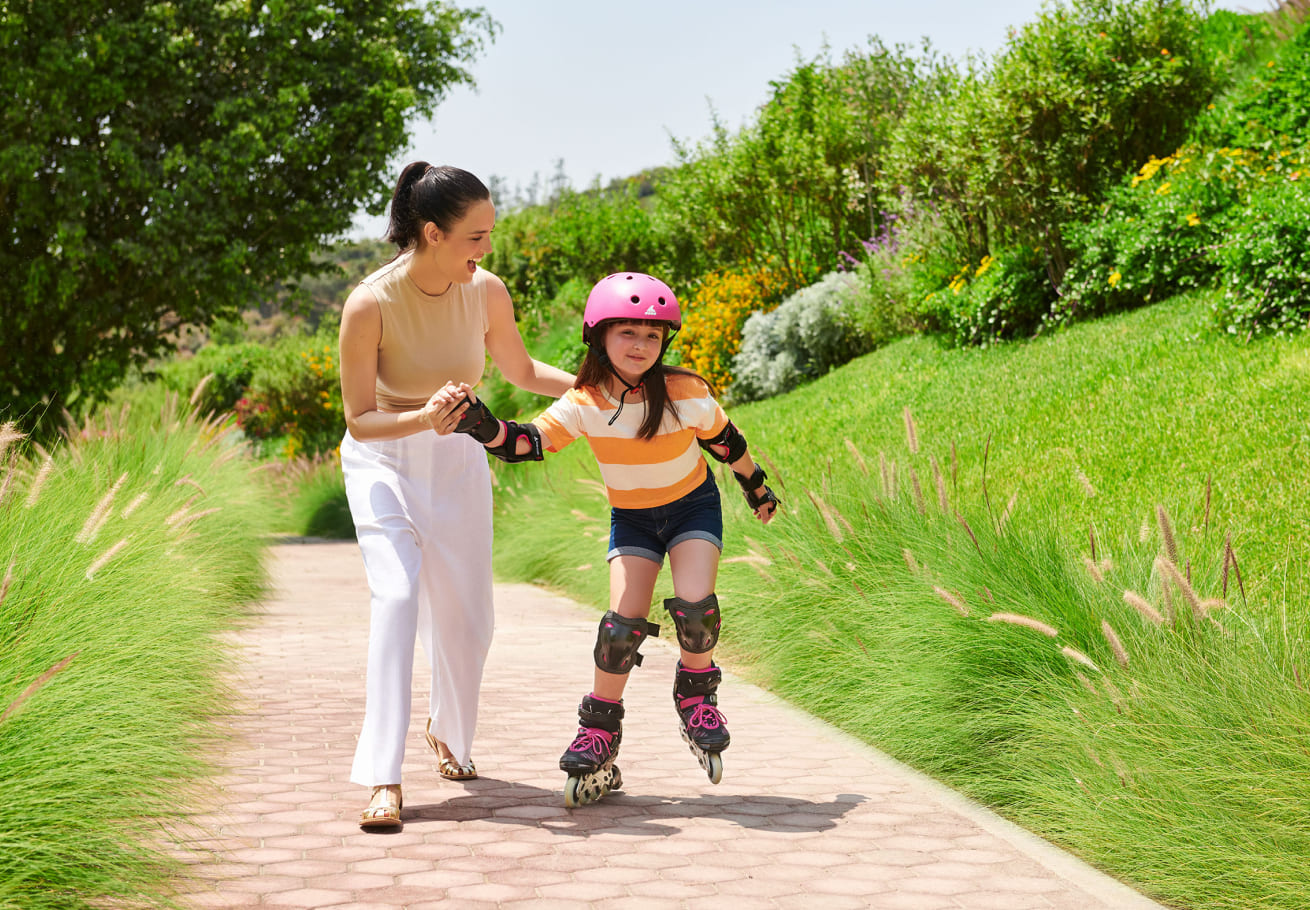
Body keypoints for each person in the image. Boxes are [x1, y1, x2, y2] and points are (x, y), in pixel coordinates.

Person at [444, 271, 779, 805]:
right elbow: (527, 444)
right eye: (627, 334)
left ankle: (696, 696)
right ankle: (600, 729)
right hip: (634, 518)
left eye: (652, 336)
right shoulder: (585, 400)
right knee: (620, 629)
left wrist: (755, 487)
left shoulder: (684, 392)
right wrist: (482, 424)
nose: (641, 346)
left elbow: (727, 441)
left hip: (693, 507)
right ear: (598, 336)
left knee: (696, 610)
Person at [338, 162, 574, 830]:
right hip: (384, 459)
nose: (486, 249)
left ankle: (446, 732)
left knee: (470, 620)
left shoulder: (486, 290)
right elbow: (359, 418)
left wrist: (601, 385)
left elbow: (522, 371)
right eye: (476, 236)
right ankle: (382, 776)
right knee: (399, 596)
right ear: (433, 232)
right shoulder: (370, 303)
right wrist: (423, 417)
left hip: (459, 458)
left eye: (489, 233)